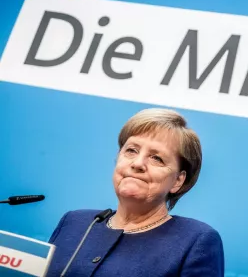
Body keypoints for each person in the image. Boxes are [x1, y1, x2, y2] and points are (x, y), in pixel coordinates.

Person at [46, 108, 224, 276]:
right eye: (131, 150)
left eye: (157, 158)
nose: (138, 163)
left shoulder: (194, 241)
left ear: (178, 180)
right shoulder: (74, 222)